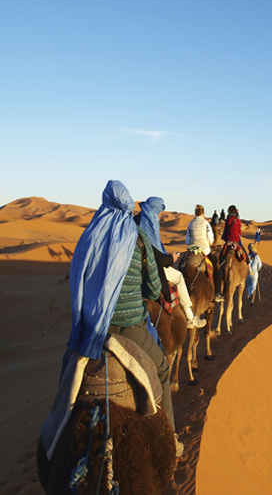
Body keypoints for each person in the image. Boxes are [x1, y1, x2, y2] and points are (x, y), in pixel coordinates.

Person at [67, 180, 183, 457]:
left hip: (92, 328)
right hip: (129, 328)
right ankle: (169, 440)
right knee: (163, 369)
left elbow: (76, 281)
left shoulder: (89, 236)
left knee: (67, 374)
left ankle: (54, 428)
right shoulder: (138, 237)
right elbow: (155, 289)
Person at [134, 197, 206, 329]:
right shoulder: (148, 226)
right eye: (159, 213)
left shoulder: (135, 222)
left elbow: (187, 239)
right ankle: (190, 317)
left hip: (135, 266)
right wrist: (170, 259)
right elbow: (154, 254)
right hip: (148, 267)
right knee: (179, 276)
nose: (159, 217)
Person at [186, 204, 223, 302]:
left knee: (181, 266)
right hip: (205, 251)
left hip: (192, 250)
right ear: (203, 213)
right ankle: (217, 294)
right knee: (217, 270)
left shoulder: (190, 223)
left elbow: (187, 240)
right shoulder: (206, 224)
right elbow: (210, 240)